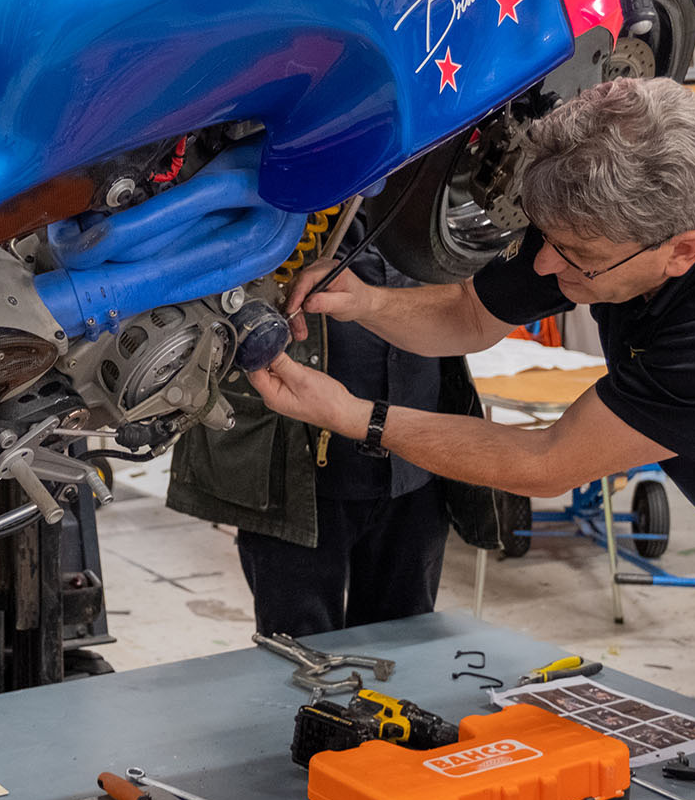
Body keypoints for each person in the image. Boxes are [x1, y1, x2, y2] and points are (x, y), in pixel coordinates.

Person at [250, 77, 695, 795]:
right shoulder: (598, 223)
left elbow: (545, 462)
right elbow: (470, 318)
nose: (546, 265)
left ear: (683, 251)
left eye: (574, 257)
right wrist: (366, 302)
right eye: (550, 243)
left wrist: (353, 416)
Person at [167, 229, 502, 636]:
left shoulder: (434, 195)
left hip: (414, 466)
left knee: (406, 648)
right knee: (299, 658)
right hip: (289, 472)